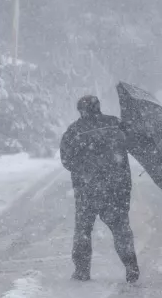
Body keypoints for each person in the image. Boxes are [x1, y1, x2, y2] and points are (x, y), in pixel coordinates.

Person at [59, 95, 140, 283]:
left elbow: (66, 160)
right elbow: (135, 142)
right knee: (120, 228)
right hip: (117, 188)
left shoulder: (74, 131)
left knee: (83, 230)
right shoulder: (115, 124)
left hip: (87, 190)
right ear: (99, 107)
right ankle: (131, 265)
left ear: (81, 110)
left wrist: (85, 169)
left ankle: (82, 271)